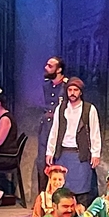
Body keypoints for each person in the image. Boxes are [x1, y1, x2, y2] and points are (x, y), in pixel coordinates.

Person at [45, 77, 102, 208]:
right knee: (62, 190)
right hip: (63, 154)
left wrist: (95, 153)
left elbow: (95, 132)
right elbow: (54, 130)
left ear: (80, 92)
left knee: (82, 191)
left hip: (80, 155)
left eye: (75, 90)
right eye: (70, 90)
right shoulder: (61, 108)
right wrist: (50, 151)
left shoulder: (89, 109)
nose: (72, 93)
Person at [37, 57, 69, 189]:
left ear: (59, 69)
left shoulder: (67, 86)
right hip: (46, 127)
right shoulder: (46, 85)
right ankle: (43, 196)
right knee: (42, 163)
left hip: (60, 128)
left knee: (58, 163)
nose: (46, 68)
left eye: (50, 66)